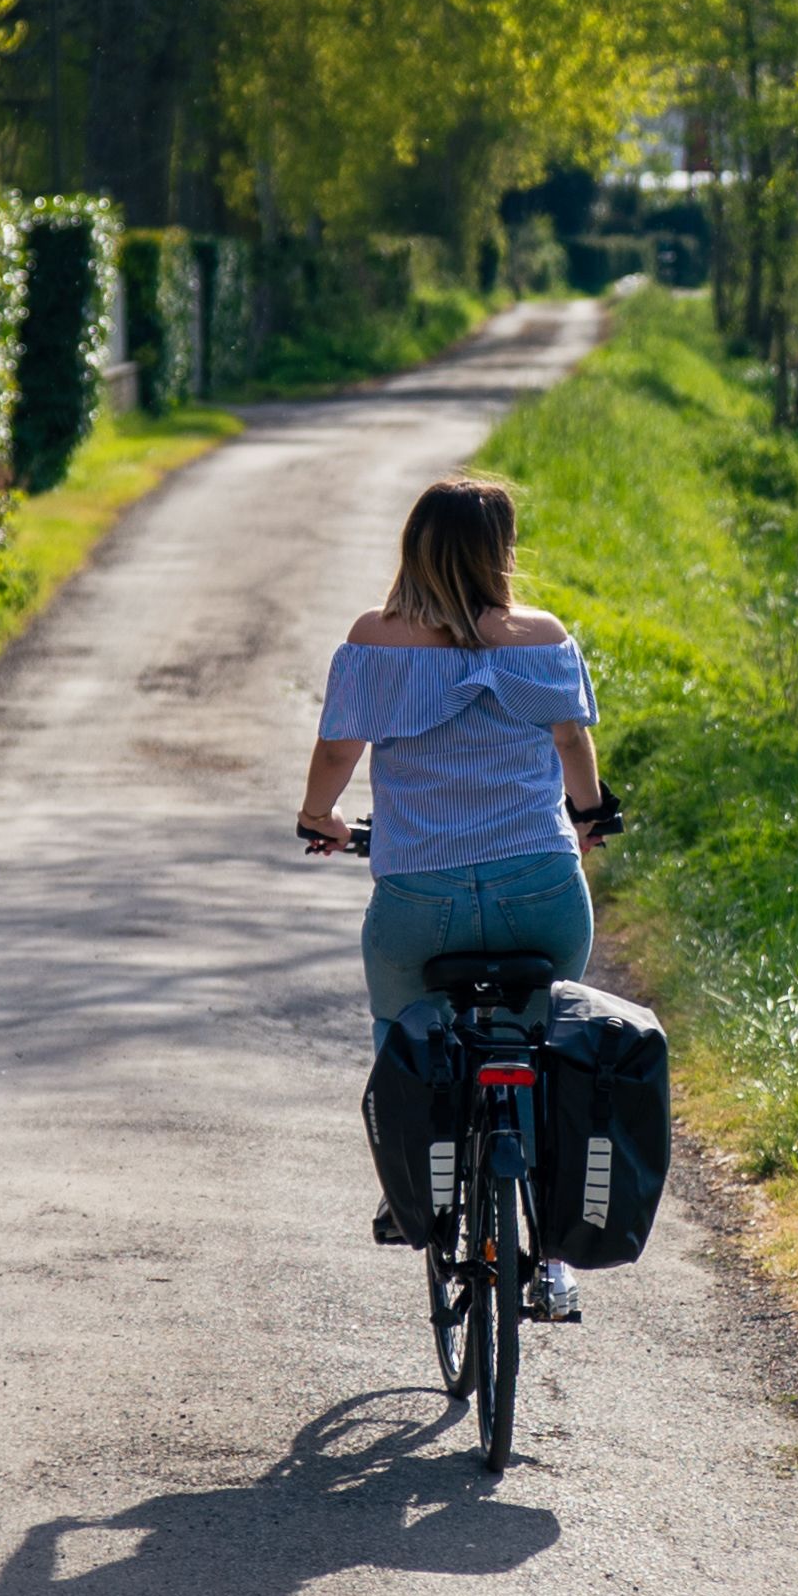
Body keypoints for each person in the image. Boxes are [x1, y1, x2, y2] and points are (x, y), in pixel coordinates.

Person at [298, 472, 622, 1320]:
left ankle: (409, 1186)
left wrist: (317, 814)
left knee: (401, 1036)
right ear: (501, 552)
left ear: (414, 545)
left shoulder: (376, 638)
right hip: (539, 890)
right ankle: (553, 1259)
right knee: (546, 1049)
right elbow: (572, 745)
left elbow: (338, 750)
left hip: (419, 894)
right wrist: (587, 818)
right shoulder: (542, 636)